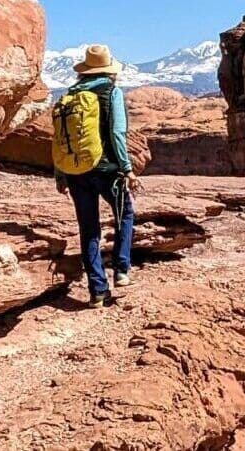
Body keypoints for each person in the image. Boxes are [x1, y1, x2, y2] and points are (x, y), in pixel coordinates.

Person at [53, 44, 150, 307]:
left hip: (76, 172)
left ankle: (97, 291)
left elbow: (61, 139)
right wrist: (127, 168)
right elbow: (118, 134)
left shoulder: (69, 96)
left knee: (89, 229)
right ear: (109, 70)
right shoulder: (111, 92)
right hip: (108, 171)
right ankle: (121, 269)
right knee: (125, 214)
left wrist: (60, 174)